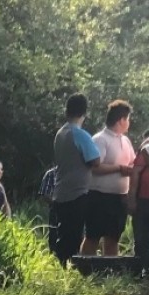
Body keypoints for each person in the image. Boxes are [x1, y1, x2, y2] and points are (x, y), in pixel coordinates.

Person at [80, 99, 135, 257]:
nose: (128, 123)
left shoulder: (125, 140)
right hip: (99, 196)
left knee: (113, 237)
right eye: (128, 119)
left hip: (120, 197)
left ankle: (110, 272)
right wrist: (119, 168)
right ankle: (85, 269)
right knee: (93, 236)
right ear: (121, 120)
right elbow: (95, 167)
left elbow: (132, 161)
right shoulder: (100, 139)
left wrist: (130, 170)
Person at [51, 93, 101, 265]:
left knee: (63, 235)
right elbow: (95, 160)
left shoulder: (60, 133)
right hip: (77, 193)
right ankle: (71, 273)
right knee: (74, 237)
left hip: (60, 191)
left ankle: (61, 269)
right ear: (84, 113)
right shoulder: (80, 134)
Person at [128, 129, 149, 269]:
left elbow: (135, 174)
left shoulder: (145, 148)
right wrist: (131, 199)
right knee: (141, 238)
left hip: (143, 200)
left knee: (141, 238)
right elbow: (135, 174)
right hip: (143, 200)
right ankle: (142, 269)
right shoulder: (145, 149)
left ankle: (142, 269)